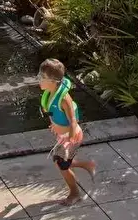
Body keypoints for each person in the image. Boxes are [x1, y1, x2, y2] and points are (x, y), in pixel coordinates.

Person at [39, 58, 96, 204]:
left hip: (72, 137)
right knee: (60, 161)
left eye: (42, 77)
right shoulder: (50, 93)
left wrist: (68, 143)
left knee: (62, 164)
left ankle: (75, 193)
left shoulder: (64, 99)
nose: (39, 79)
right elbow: (55, 114)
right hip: (62, 135)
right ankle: (86, 165)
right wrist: (55, 125)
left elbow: (73, 121)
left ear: (53, 81)